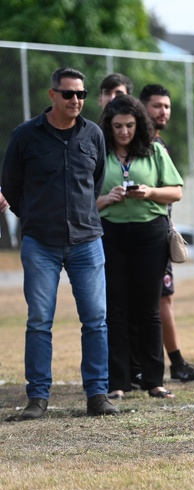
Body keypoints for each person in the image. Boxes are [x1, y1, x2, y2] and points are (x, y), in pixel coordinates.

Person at [1, 66, 119, 418]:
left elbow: (95, 182)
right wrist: (35, 217)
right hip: (41, 242)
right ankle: (37, 398)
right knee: (39, 319)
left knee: (96, 318)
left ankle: (97, 395)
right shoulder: (25, 136)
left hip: (87, 240)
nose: (76, 100)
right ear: (52, 95)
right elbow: (11, 185)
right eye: (68, 94)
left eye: (81, 94)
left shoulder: (94, 134)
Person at [96, 95, 183, 400]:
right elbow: (83, 200)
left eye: (130, 125)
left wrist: (149, 192)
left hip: (150, 236)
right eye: (117, 126)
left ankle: (154, 381)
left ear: (139, 125)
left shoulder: (154, 150)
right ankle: (117, 381)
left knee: (149, 309)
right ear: (108, 126)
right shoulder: (98, 153)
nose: (123, 132)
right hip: (111, 236)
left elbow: (176, 192)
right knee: (116, 310)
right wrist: (106, 199)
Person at [139, 83, 194, 384]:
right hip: (135, 235)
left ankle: (167, 363)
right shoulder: (136, 145)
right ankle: (165, 364)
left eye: (167, 106)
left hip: (157, 235)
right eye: (157, 106)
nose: (163, 111)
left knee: (162, 298)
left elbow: (175, 190)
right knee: (152, 301)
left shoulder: (159, 144)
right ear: (143, 107)